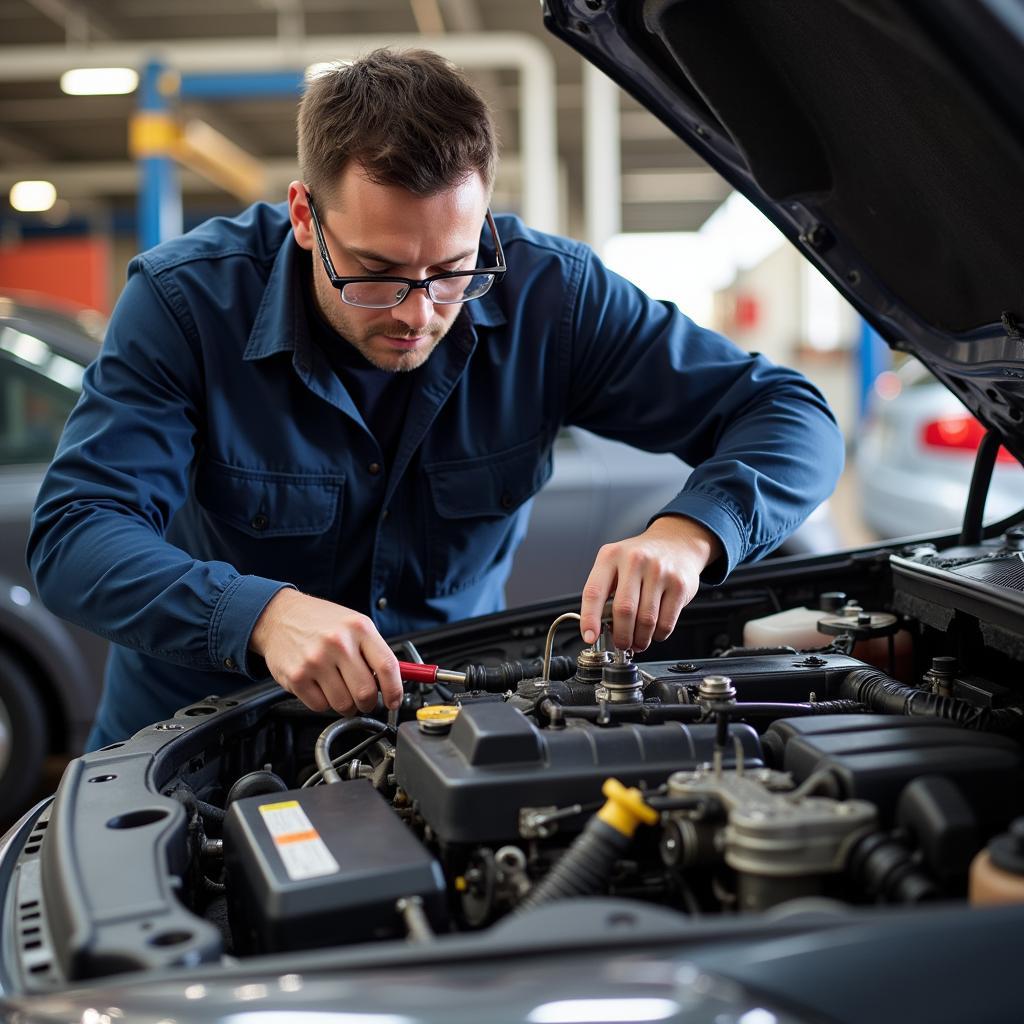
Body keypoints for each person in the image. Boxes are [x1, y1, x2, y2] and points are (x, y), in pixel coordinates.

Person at [28, 49, 844, 750]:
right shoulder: (186, 305)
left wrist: (691, 532)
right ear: (306, 217)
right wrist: (260, 615)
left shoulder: (551, 299)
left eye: (454, 269)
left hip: (437, 736)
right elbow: (76, 534)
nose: (421, 313)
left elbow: (790, 413)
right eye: (379, 273)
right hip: (200, 739)